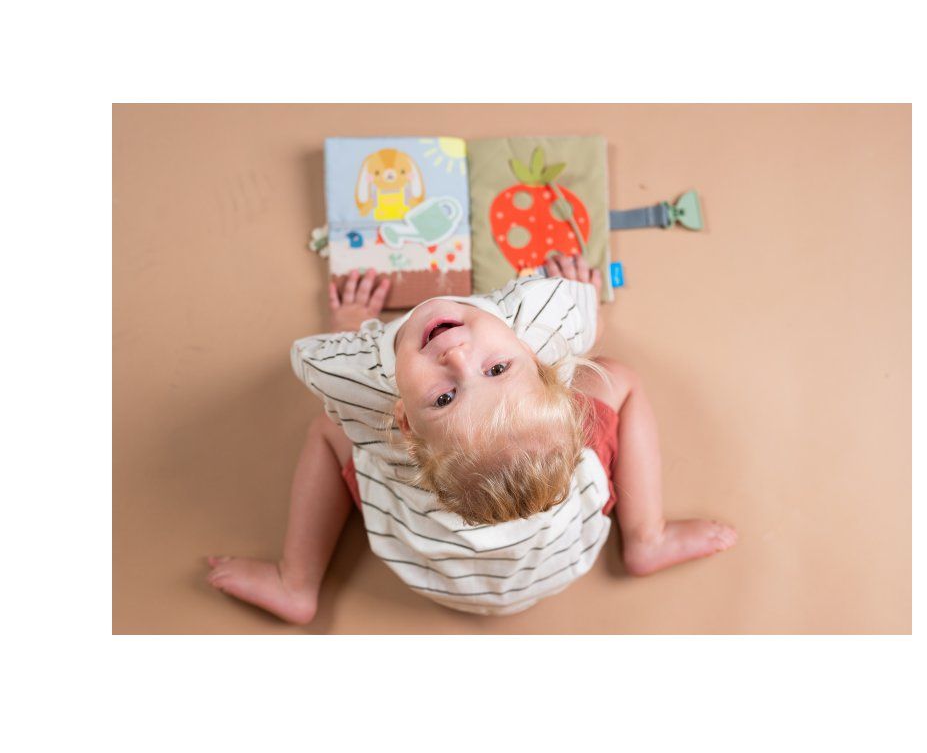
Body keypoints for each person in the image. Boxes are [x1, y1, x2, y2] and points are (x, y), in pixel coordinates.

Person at [207, 254, 737, 622]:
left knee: (327, 429)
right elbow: (583, 320)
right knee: (619, 377)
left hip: (431, 572)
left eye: (445, 397)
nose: (458, 356)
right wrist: (579, 297)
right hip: (557, 564)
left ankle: (297, 580)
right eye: (497, 369)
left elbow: (316, 361)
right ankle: (646, 536)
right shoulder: (548, 330)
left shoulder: (370, 400)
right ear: (543, 358)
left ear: (403, 425)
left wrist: (353, 327)